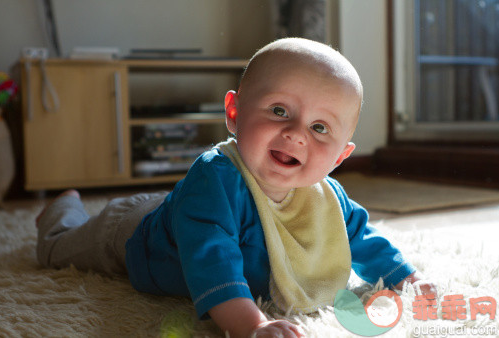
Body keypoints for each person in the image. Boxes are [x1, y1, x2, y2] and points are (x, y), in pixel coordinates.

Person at [36, 38, 435, 338]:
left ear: (339, 157)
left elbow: (360, 237)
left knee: (186, 208)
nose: (296, 134)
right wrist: (252, 325)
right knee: (56, 249)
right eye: (279, 111)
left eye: (319, 128)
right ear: (234, 112)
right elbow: (213, 262)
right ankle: (62, 208)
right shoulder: (214, 178)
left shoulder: (327, 198)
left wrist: (407, 278)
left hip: (183, 209)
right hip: (131, 237)